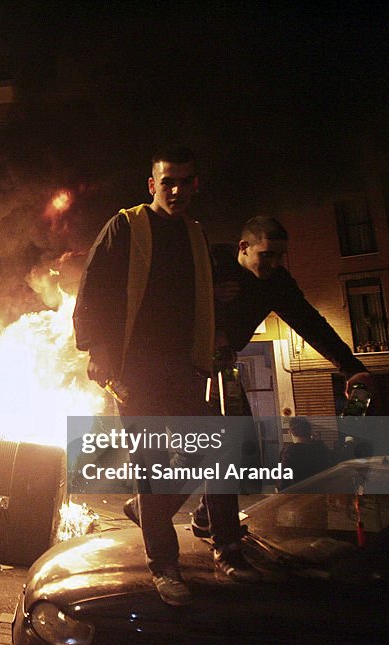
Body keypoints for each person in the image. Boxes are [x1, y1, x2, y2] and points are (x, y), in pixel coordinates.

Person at [74, 147, 240, 606]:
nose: (177, 190)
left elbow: (202, 293)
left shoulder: (196, 235)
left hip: (183, 366)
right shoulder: (125, 226)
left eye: (185, 181)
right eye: (168, 181)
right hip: (134, 368)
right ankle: (164, 567)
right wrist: (97, 351)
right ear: (152, 185)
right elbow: (93, 288)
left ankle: (195, 534)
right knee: (148, 461)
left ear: (196, 185)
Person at [189, 216, 372, 541]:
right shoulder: (210, 260)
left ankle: (206, 516)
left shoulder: (276, 282)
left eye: (279, 256)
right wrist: (207, 294)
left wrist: (350, 366)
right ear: (243, 247)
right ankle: (178, 513)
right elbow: (165, 295)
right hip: (187, 366)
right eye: (266, 255)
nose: (273, 263)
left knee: (243, 445)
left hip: (222, 366)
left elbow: (310, 322)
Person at [277, 416, 331, 490]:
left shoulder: (290, 452)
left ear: (290, 432)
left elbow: (283, 482)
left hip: (299, 497)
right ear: (309, 431)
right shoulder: (321, 448)